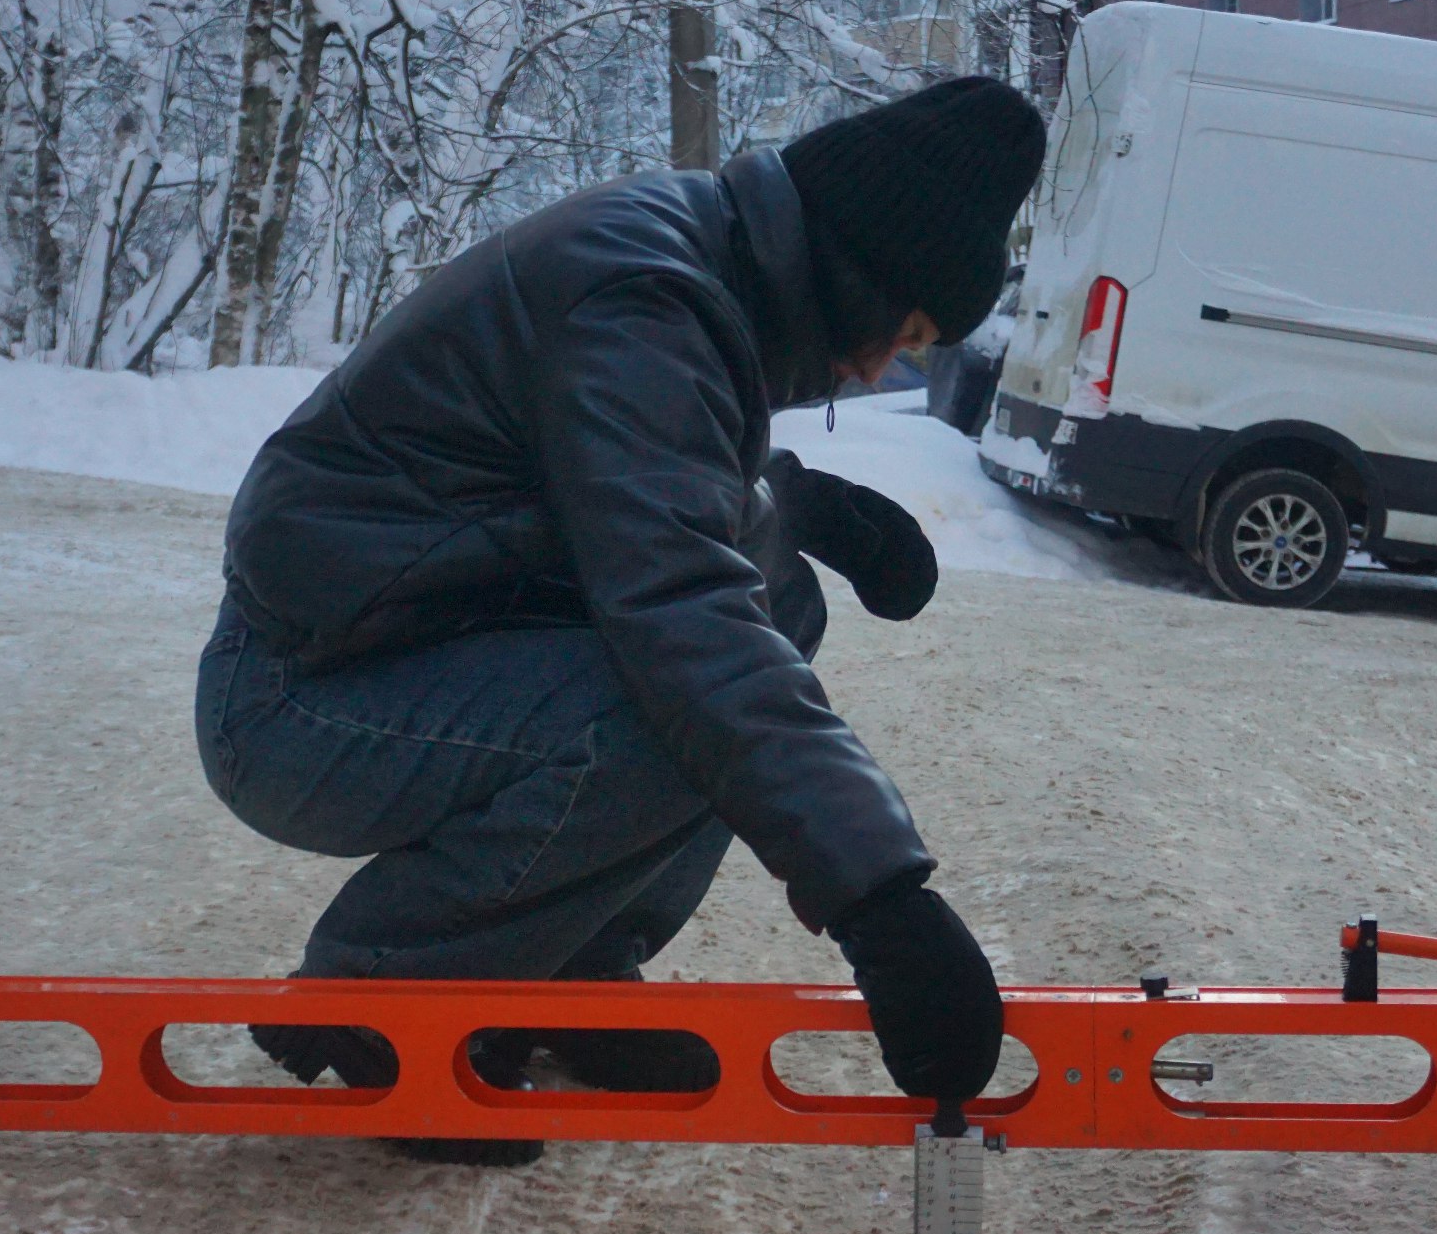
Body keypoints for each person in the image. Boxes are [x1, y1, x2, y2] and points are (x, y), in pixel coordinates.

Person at [196, 77, 1048, 1164]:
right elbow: (682, 614)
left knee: (771, 605)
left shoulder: (695, 272)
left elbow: (630, 480)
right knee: (669, 702)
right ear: (850, 271)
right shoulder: (644, 296)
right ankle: (392, 1007)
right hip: (293, 695)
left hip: (406, 641)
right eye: (901, 331)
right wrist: (880, 900)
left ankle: (567, 969)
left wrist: (796, 503)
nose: (880, 366)